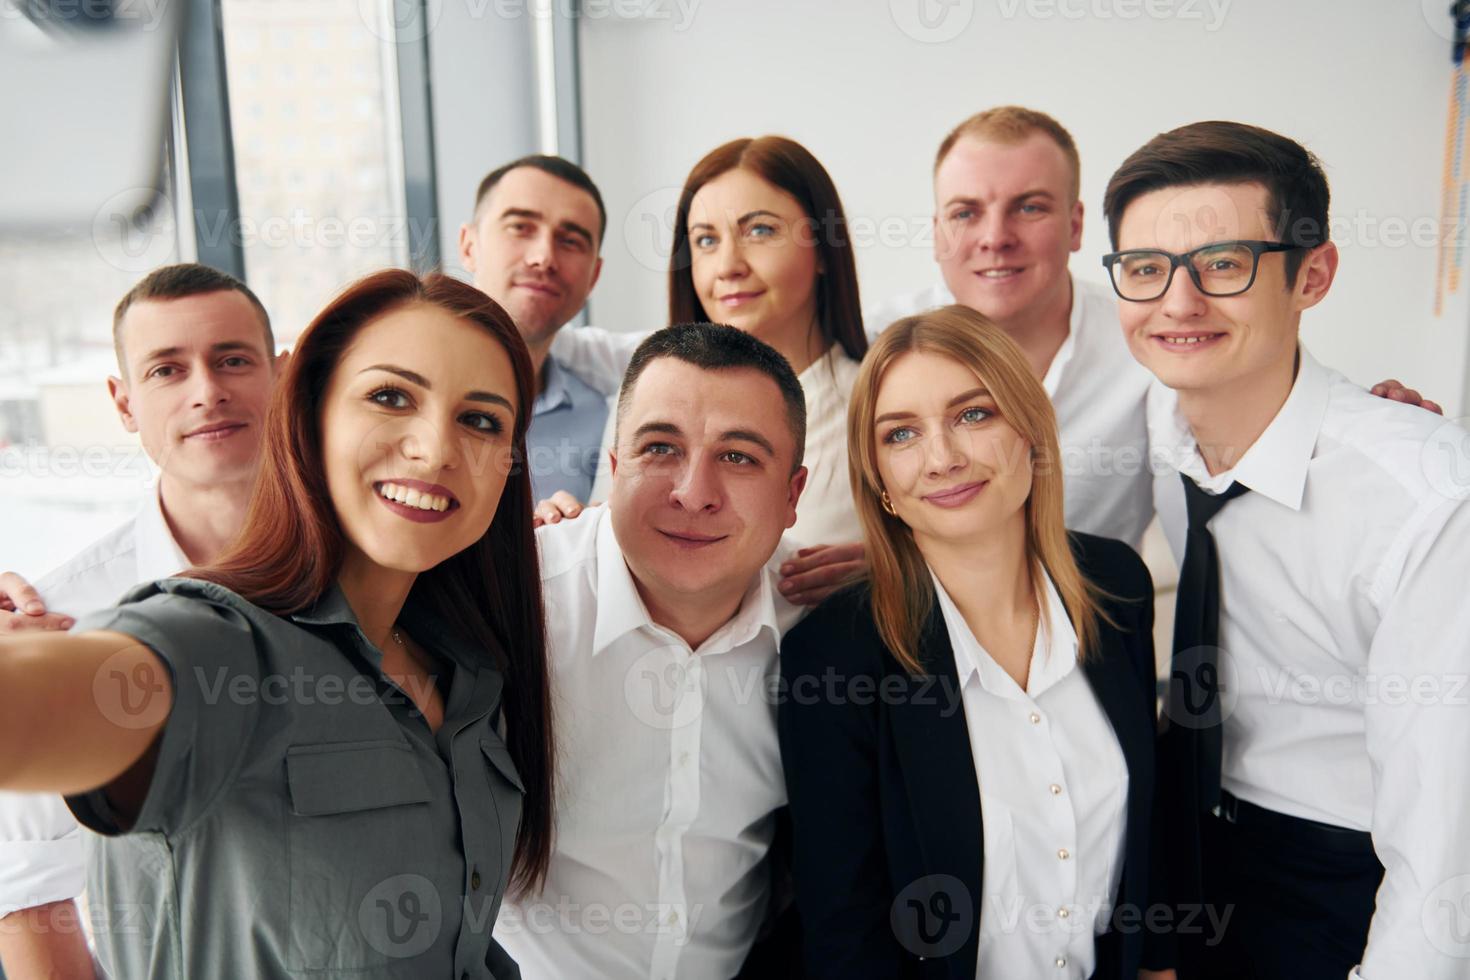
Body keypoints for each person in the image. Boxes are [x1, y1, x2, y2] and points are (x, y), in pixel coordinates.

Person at [0, 270, 554, 979]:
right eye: (390, 397)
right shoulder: (222, 644)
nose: (435, 449)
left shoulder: (471, 673)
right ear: (309, 413)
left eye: (480, 420)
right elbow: (53, 703)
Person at [1103, 120, 1470, 978]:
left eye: (1224, 264)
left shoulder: (1427, 501)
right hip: (1195, 847)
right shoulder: (1167, 427)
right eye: (1146, 270)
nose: (1178, 304)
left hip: (1351, 875)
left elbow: (1444, 855)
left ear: (1313, 275)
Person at [777, 305, 1170, 979]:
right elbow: (845, 928)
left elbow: (1156, 826)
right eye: (900, 434)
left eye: (973, 415)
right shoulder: (835, 653)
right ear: (879, 480)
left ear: (1030, 431)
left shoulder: (1116, 586)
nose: (943, 458)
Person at [870, 106, 1441, 549]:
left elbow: (1255, 366)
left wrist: (1370, 417)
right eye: (965, 212)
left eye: (1030, 207)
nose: (994, 237)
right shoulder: (869, 347)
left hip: (1098, 641)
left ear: (1074, 227)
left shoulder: (1152, 340)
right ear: (937, 230)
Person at [495, 323, 808, 979]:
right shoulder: (515, 608)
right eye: (660, 447)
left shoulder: (822, 628)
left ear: (793, 496)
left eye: (740, 456)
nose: (694, 492)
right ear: (612, 469)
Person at [0, 262, 284, 979]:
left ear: (281, 376)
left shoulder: (375, 570)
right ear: (124, 404)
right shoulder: (63, 622)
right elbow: (35, 906)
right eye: (167, 370)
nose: (207, 391)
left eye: (233, 360)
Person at [545, 136, 868, 566]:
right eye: (706, 241)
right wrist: (573, 533)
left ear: (825, 249)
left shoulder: (876, 407)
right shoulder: (646, 390)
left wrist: (895, 568)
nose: (728, 265)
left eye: (760, 230)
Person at [457, 155, 610, 502]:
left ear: (594, 277)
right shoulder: (395, 395)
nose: (543, 257)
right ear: (469, 246)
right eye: (520, 227)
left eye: (571, 241)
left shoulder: (603, 421)